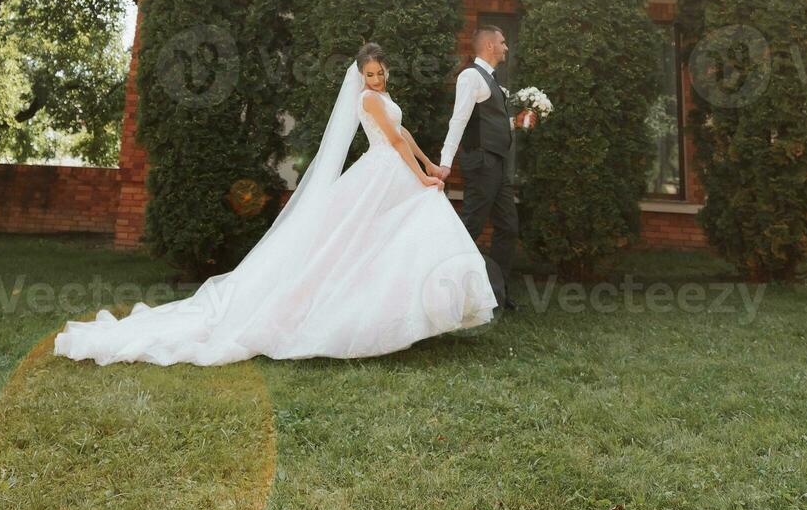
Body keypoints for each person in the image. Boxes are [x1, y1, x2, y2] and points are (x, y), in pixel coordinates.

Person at [52, 43, 498, 366]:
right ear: (360, 77)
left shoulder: (384, 98)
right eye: (371, 74)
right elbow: (394, 142)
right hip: (381, 172)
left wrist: (432, 167)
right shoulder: (367, 100)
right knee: (358, 243)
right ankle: (357, 315)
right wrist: (421, 177)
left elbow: (407, 137)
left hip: (394, 168)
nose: (377, 80)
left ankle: (412, 312)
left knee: (388, 240)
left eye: (381, 73)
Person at [436, 25, 518, 311]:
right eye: (503, 42)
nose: (506, 47)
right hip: (482, 164)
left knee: (509, 227)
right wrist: (445, 164)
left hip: (497, 164)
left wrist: (515, 124)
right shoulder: (471, 76)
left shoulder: (492, 81)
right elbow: (458, 121)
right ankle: (444, 296)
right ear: (490, 46)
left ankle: (497, 296)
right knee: (469, 228)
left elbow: (488, 121)